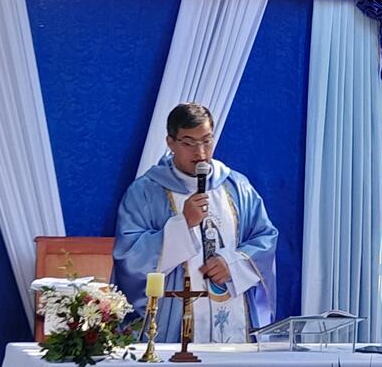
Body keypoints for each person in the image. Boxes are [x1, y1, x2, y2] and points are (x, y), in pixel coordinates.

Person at [112, 103, 278, 343]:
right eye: (189, 143)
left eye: (207, 141)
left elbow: (265, 237)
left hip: (233, 312)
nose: (200, 153)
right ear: (170, 142)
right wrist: (183, 224)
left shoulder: (236, 187)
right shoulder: (145, 192)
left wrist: (233, 264)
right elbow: (129, 256)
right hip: (174, 316)